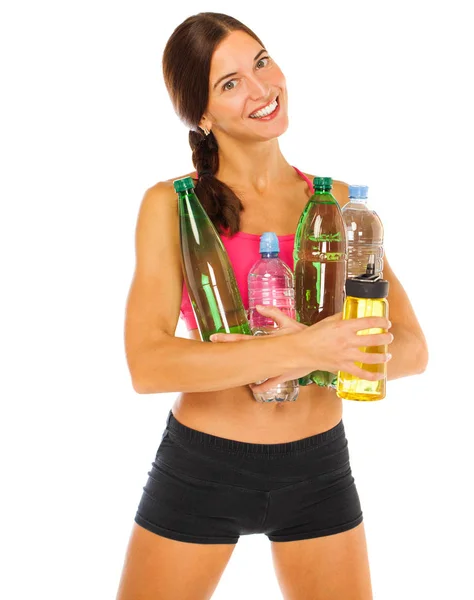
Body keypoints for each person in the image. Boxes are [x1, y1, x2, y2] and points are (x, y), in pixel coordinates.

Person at [116, 12, 428, 600]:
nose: (261, 89)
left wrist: (314, 360)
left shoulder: (335, 204)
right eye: (229, 83)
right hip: (202, 467)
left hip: (319, 471)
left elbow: (411, 349)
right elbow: (148, 364)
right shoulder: (172, 206)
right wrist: (305, 346)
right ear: (201, 114)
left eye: (261, 62)